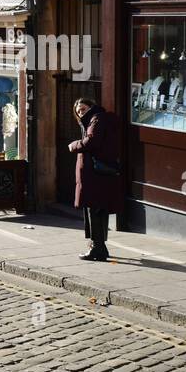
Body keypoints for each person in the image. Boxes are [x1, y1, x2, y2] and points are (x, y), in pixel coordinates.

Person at [68, 97, 121, 262]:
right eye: (78, 111)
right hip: (94, 173)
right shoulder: (93, 119)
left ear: (91, 106)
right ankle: (99, 247)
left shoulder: (96, 119)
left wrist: (74, 145)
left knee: (94, 209)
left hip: (94, 174)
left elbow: (92, 142)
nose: (80, 112)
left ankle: (97, 248)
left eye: (83, 109)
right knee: (97, 209)